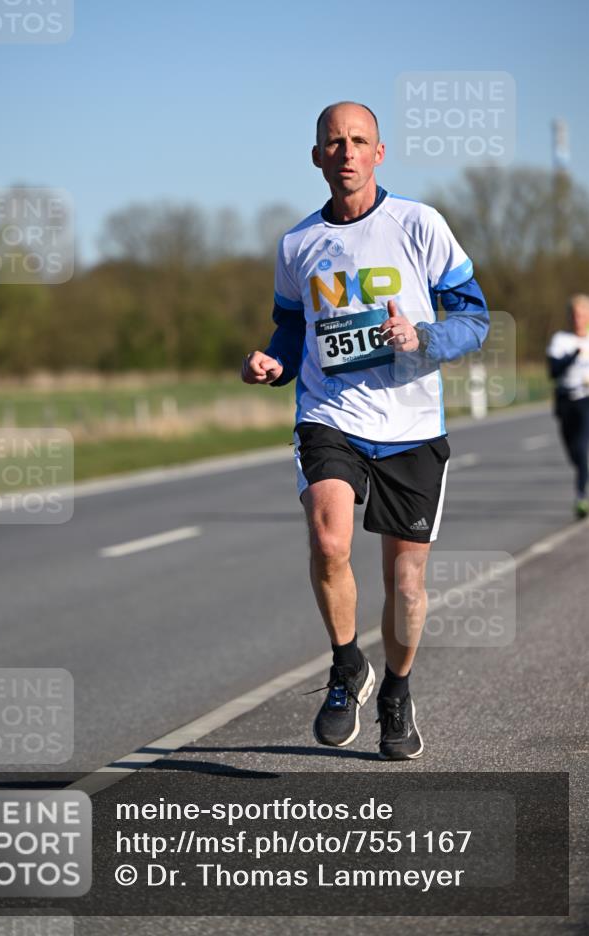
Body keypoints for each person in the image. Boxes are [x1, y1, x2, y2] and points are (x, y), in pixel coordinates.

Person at [241, 101, 489, 759]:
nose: (345, 152)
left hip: (410, 423)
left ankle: (396, 690)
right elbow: (292, 326)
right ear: (317, 156)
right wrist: (273, 360)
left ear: (378, 153)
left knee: (405, 585)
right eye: (333, 142)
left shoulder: (417, 224)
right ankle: (346, 664)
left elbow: (475, 317)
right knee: (328, 540)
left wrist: (423, 335)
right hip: (330, 415)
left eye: (358, 141)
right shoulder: (296, 244)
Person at [547, 294, 589, 519]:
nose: (577, 319)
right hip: (565, 400)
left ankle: (581, 496)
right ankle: (584, 473)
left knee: (582, 449)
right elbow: (553, 371)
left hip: (586, 400)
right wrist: (573, 355)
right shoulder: (561, 340)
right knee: (573, 452)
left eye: (581, 315)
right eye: (574, 315)